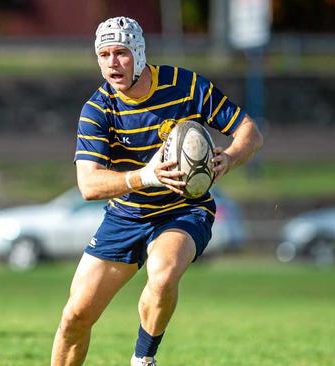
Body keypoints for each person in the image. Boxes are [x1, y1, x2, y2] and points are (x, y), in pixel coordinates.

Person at [51, 16, 263, 366]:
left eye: (120, 53)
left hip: (184, 209)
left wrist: (230, 157)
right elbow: (88, 185)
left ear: (138, 51)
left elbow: (250, 132)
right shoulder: (98, 109)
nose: (111, 63)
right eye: (103, 55)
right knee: (75, 317)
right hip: (127, 214)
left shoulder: (185, 86)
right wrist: (146, 176)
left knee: (163, 273)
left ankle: (142, 359)